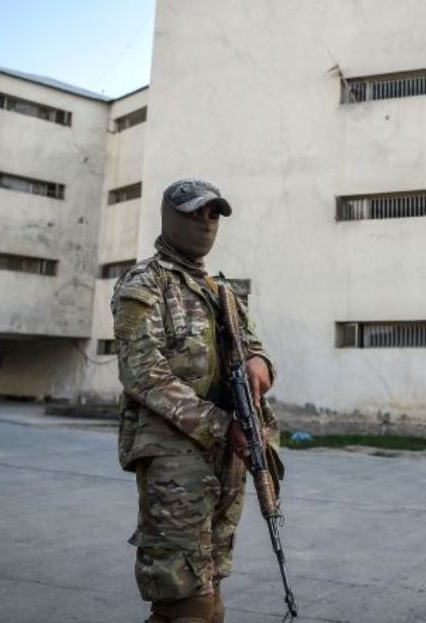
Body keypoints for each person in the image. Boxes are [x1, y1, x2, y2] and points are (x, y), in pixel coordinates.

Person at [111, 178, 278, 623]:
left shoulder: (222, 291)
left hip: (228, 455)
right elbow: (143, 375)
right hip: (175, 459)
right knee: (184, 598)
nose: (207, 221)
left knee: (210, 584)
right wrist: (224, 426)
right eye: (197, 212)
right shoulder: (145, 283)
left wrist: (261, 363)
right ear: (171, 217)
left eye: (214, 214)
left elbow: (252, 345)